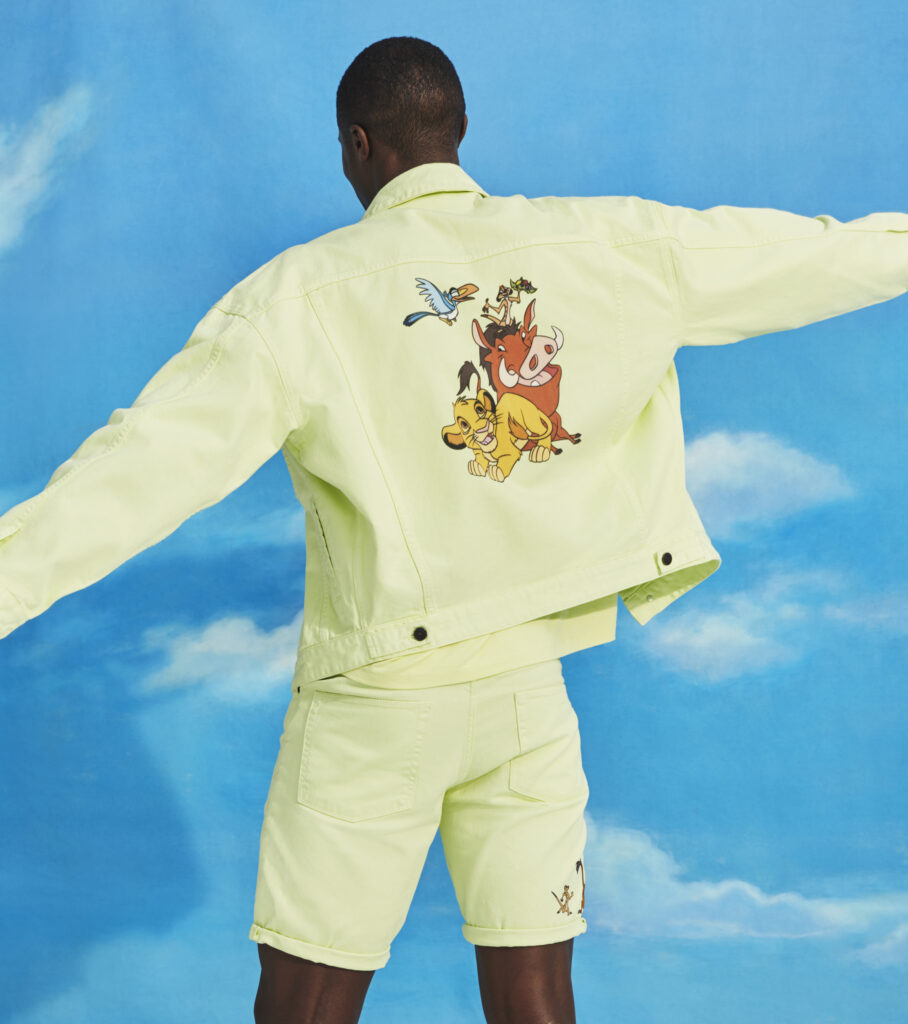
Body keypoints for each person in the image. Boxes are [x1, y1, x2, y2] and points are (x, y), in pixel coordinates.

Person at [1, 34, 907, 1024]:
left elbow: (138, 471)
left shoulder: (293, 300)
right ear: (458, 130)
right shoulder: (605, 242)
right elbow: (811, 255)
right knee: (535, 997)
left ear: (357, 145)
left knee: (307, 1001)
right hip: (529, 686)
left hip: (378, 697)